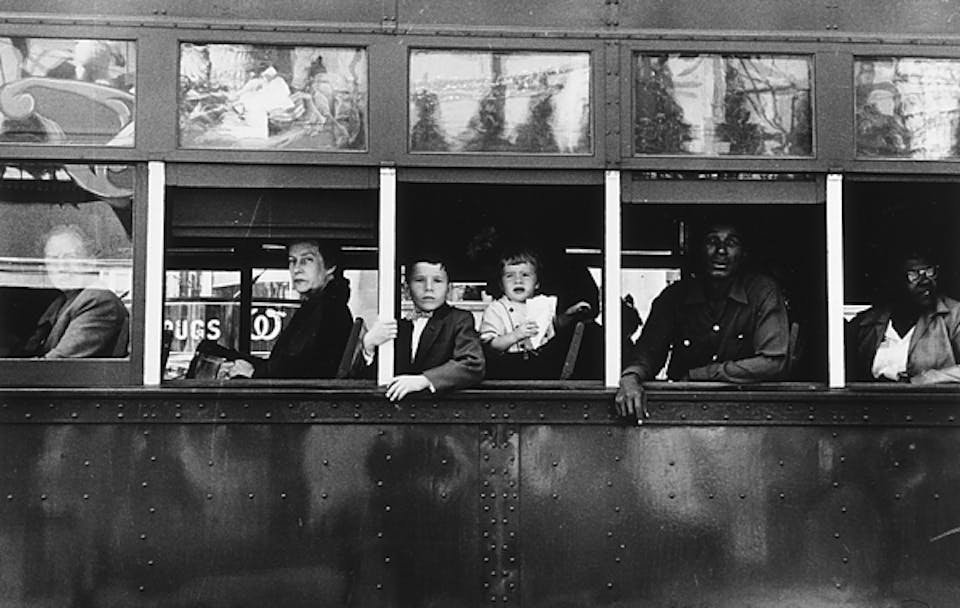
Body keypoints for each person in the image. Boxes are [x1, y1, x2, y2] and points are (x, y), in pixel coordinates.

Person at [615, 220, 789, 419]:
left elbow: (772, 361)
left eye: (731, 243)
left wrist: (699, 375)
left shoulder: (762, 292)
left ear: (743, 254)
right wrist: (631, 378)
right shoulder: (675, 297)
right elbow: (648, 353)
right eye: (712, 241)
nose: (721, 251)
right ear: (698, 250)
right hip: (683, 413)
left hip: (746, 413)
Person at [359, 254, 485, 401]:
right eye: (419, 280)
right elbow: (365, 380)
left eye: (437, 281)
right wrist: (369, 345)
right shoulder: (398, 326)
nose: (428, 288)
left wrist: (424, 380)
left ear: (448, 288)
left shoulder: (459, 320)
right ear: (406, 288)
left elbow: (473, 364)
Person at [223, 239, 353, 379]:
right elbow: (285, 365)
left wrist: (253, 373)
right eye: (292, 261)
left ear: (330, 266)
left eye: (307, 260)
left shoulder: (329, 310)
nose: (296, 269)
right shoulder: (318, 306)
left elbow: (301, 370)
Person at [846, 248, 960, 384]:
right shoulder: (867, 323)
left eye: (930, 272)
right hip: (875, 397)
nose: (925, 281)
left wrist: (928, 379)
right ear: (894, 281)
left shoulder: (953, 316)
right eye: (913, 275)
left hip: (929, 398)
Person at [21, 224, 129, 358]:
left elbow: (58, 362)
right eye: (53, 259)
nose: (61, 267)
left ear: (91, 263)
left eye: (70, 257)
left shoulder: (98, 301)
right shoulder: (62, 301)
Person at [480, 249, 589, 379]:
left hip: (541, 365)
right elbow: (490, 346)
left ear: (537, 283)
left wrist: (569, 315)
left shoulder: (541, 304)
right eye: (510, 276)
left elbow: (553, 326)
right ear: (501, 284)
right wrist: (516, 335)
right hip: (508, 368)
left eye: (525, 275)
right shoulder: (495, 309)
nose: (518, 280)